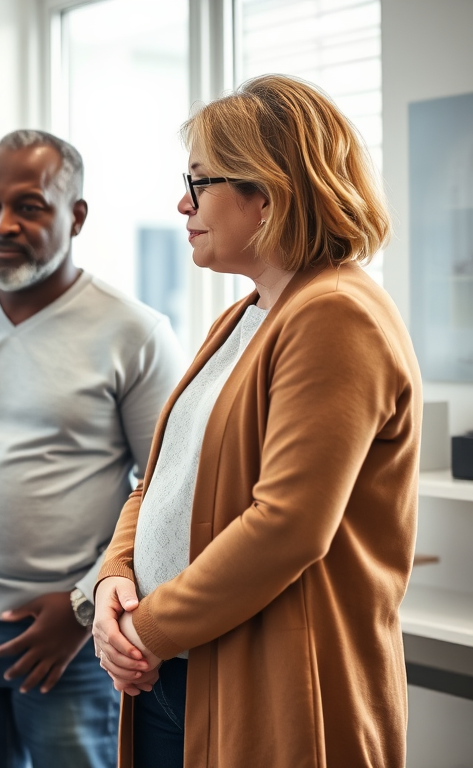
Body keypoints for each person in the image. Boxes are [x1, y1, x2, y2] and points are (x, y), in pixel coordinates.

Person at [92, 74, 421, 768]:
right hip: (178, 667)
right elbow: (158, 479)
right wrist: (112, 581)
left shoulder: (336, 315)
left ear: (265, 196)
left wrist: (145, 629)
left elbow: (287, 526)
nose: (182, 204)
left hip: (266, 679)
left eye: (199, 182)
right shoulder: (244, 314)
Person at [0, 129, 185, 768]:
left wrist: (81, 605)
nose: (3, 224)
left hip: (66, 640)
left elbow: (164, 491)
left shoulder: (135, 332)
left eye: (30, 206)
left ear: (76, 217)